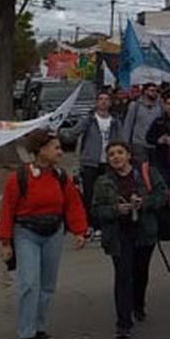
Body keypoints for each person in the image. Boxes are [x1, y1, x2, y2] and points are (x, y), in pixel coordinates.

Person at [0, 131, 88, 339]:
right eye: (55, 148)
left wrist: (79, 231)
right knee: (28, 283)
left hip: (54, 233)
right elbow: (7, 210)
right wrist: (6, 242)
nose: (59, 152)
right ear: (41, 151)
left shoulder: (61, 177)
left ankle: (39, 328)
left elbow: (72, 204)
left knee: (47, 285)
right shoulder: (19, 178)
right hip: (26, 233)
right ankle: (26, 334)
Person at [90, 140, 169, 339]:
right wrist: (116, 210)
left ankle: (138, 305)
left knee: (140, 272)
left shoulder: (146, 173)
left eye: (120, 153)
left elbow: (163, 195)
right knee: (123, 275)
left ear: (128, 155)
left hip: (144, 231)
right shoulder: (103, 182)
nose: (116, 157)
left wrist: (144, 203)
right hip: (118, 234)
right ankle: (123, 322)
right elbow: (96, 210)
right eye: (111, 154)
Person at [61, 90, 116, 235]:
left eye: (106, 99)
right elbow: (73, 133)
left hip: (109, 162)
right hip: (91, 162)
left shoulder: (115, 121)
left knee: (106, 194)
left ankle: (103, 225)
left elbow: (121, 140)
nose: (103, 102)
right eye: (101, 99)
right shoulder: (89, 120)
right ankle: (90, 224)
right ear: (96, 102)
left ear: (110, 103)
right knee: (90, 194)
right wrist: (58, 133)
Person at [120, 81, 162, 166]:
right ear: (145, 91)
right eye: (151, 90)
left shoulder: (160, 106)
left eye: (156, 91)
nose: (154, 93)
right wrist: (125, 143)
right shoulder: (135, 105)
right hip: (138, 144)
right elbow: (128, 125)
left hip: (155, 144)